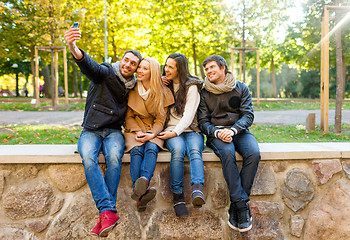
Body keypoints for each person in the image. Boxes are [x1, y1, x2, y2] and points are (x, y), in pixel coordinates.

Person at [64, 25, 142, 237]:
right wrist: (73, 45)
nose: (128, 65)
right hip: (91, 130)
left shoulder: (134, 87)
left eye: (133, 64)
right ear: (121, 60)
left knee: (114, 158)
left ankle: (106, 215)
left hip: (114, 131)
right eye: (126, 60)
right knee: (88, 157)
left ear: (136, 69)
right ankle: (108, 210)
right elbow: (88, 65)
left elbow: (151, 87)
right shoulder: (106, 72)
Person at [197, 55, 260, 232]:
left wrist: (233, 130)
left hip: (239, 131)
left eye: (212, 67)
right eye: (206, 69)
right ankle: (242, 208)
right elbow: (202, 121)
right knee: (227, 153)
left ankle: (236, 205)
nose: (208, 71)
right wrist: (217, 132)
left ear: (223, 68)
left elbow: (248, 115)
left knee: (254, 153)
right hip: (216, 134)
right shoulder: (205, 92)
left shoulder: (241, 88)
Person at [158, 53, 205, 217]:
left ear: (180, 69)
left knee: (194, 150)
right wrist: (159, 81)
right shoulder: (165, 84)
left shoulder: (192, 87)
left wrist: (174, 132)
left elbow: (189, 115)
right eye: (166, 65)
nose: (166, 69)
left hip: (191, 129)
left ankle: (197, 189)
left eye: (171, 67)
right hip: (171, 128)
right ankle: (178, 196)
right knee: (178, 151)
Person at [124, 57, 174, 212]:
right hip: (135, 128)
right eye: (139, 67)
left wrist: (152, 134)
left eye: (145, 68)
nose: (139, 70)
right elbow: (128, 116)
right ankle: (139, 190)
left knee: (152, 147)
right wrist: (138, 131)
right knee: (137, 149)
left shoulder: (162, 91)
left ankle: (143, 181)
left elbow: (161, 118)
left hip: (154, 129)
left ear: (152, 72)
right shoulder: (132, 89)